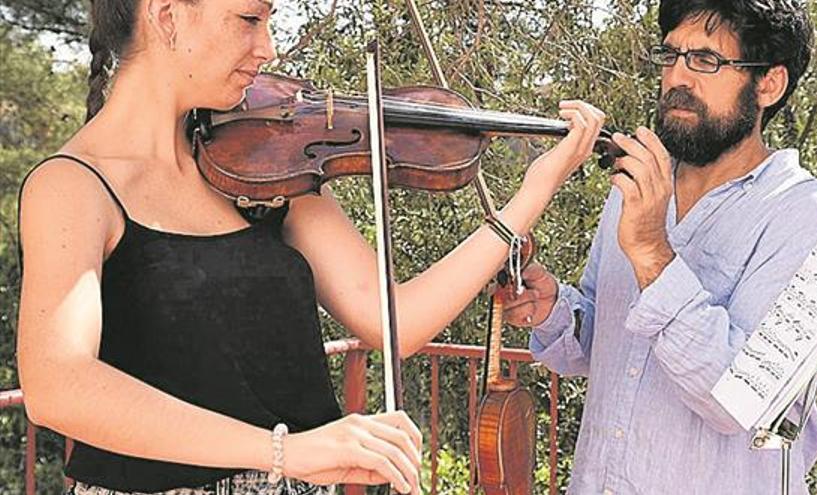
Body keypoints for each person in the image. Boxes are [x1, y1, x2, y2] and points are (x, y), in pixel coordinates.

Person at [14, 0, 607, 494]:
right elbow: (58, 386)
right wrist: (283, 452)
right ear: (168, 16)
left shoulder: (262, 169)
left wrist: (530, 196)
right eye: (250, 19)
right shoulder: (72, 187)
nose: (268, 47)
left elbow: (395, 322)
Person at [502, 1, 817, 494]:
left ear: (769, 84)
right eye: (672, 55)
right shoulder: (641, 185)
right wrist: (553, 307)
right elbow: (605, 342)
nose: (678, 76)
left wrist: (653, 253)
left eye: (706, 60)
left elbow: (735, 400)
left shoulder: (807, 215)